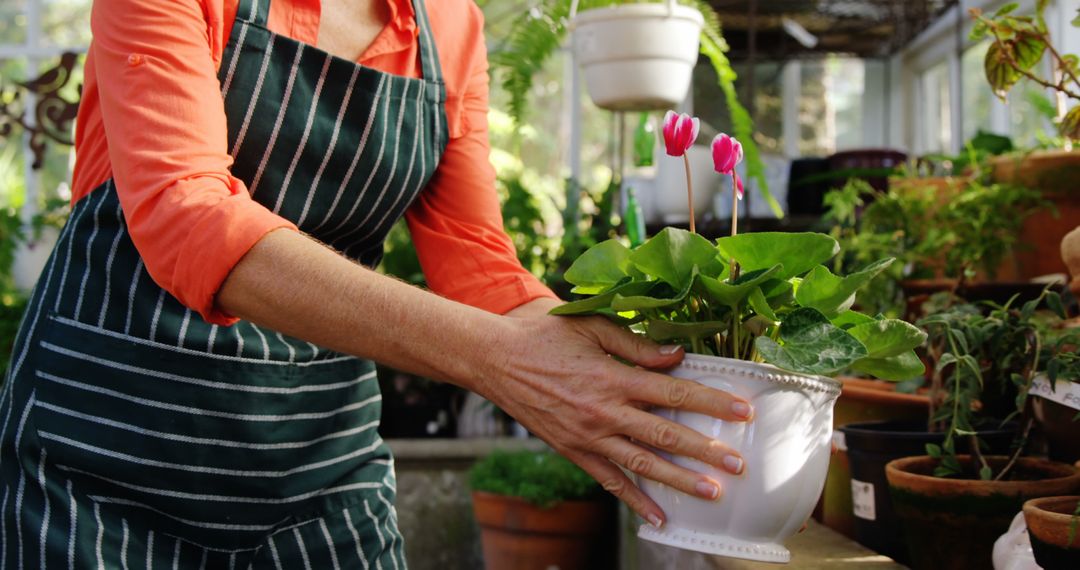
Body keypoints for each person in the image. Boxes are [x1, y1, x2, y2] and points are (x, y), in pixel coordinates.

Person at [0, 0, 752, 566]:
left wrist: (630, 372)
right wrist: (501, 358)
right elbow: (185, 213)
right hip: (103, 463)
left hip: (315, 471)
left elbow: (476, 260)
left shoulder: (448, 25)